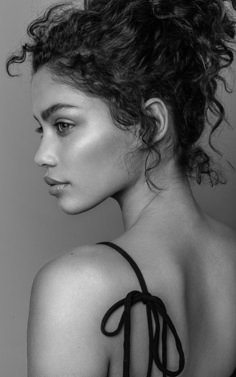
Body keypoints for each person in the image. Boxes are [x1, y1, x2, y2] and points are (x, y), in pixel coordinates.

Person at [6, 0, 236, 376]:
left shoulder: (76, 287)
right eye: (41, 130)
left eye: (63, 125)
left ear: (151, 123)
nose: (42, 156)